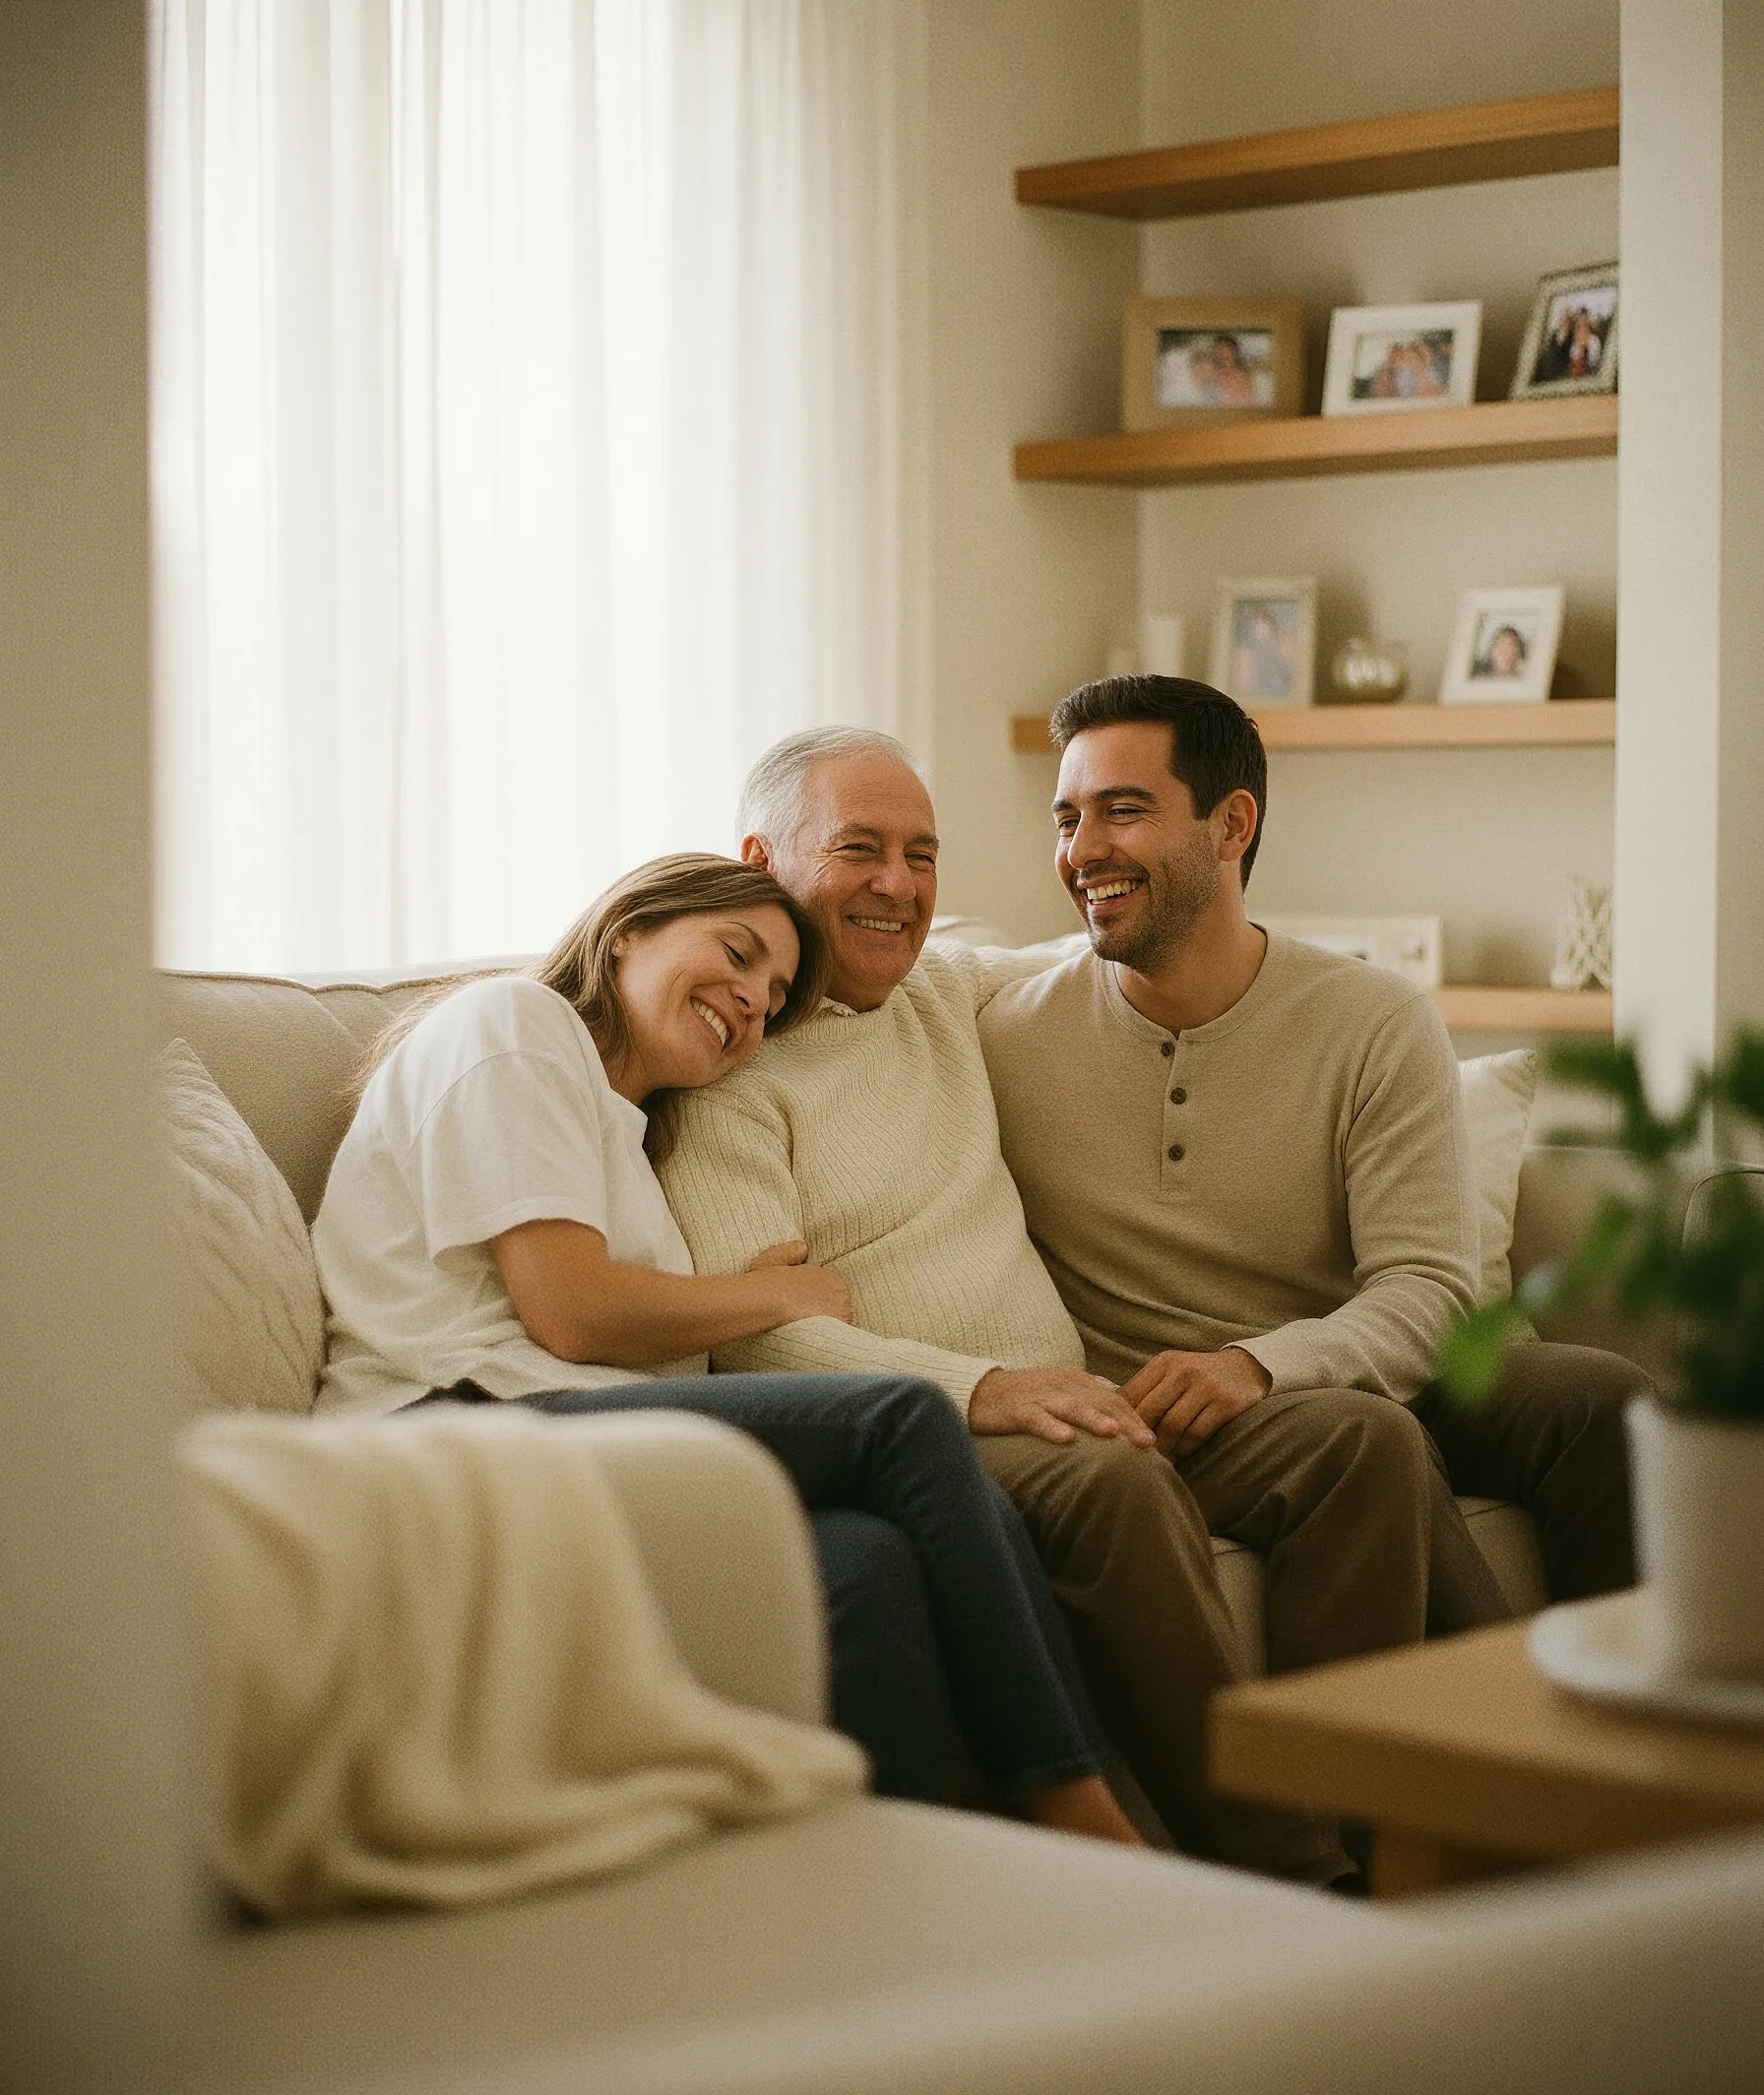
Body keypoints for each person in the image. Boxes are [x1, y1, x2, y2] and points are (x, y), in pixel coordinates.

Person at [659, 730, 1404, 1884]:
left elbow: (1144, 946)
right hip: (940, 1437)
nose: (898, 886)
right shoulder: (725, 1076)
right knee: (1110, 1480)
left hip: (1078, 1396)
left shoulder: (948, 990)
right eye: (859, 849)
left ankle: (1390, 1825)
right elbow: (763, 1338)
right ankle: (1293, 1874)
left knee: (1352, 1440)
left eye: (922, 854)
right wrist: (990, 1392)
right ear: (760, 857)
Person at [310, 852, 1139, 1845]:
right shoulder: (512, 1025)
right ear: (630, 928)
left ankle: (904, 1880)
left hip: (560, 1438)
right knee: (900, 1417)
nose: (750, 1002)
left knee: (865, 1561)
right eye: (737, 956)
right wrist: (764, 1296)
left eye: (774, 997)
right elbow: (569, 1312)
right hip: (442, 1429)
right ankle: (1080, 1814)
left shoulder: (627, 1135)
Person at [976, 674, 1644, 1633]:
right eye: (1066, 819)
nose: (1081, 853)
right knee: (1366, 1442)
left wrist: (1261, 1362)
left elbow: (1428, 1290)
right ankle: (1487, 1752)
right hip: (1170, 1403)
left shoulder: (1372, 1020)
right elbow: (887, 978)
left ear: (1231, 823)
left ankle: (1634, 1732)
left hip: (1334, 1352)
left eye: (1122, 812)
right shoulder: (1004, 1031)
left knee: (1596, 1397)